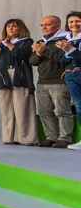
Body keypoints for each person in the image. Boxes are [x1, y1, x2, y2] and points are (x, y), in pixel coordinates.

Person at [0, 18, 36, 146]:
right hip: (3, 75)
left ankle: (26, 138)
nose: (10, 28)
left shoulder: (26, 41)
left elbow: (21, 55)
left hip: (19, 75)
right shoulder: (3, 43)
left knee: (22, 107)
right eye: (8, 26)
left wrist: (9, 44)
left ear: (21, 28)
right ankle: (9, 137)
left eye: (14, 26)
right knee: (6, 108)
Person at [30, 15, 73, 148]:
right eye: (42, 25)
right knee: (44, 112)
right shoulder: (41, 41)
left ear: (58, 25)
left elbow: (61, 59)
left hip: (59, 81)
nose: (44, 27)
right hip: (42, 81)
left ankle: (65, 138)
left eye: (48, 24)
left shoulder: (65, 40)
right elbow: (33, 61)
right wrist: (38, 53)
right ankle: (51, 137)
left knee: (62, 111)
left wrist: (44, 51)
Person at [62, 12, 81, 150]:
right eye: (71, 22)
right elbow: (61, 60)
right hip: (70, 75)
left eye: (77, 21)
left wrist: (71, 50)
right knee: (79, 106)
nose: (74, 24)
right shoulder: (66, 39)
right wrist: (67, 51)